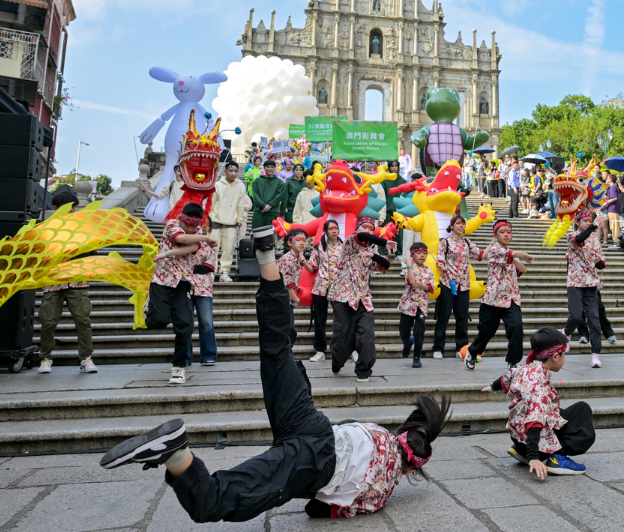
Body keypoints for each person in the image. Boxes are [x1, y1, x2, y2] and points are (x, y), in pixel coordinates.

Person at [100, 225, 453, 521]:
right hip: (313, 461)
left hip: (312, 422)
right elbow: (320, 509)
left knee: (276, 350)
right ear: (411, 469)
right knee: (212, 501)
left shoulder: (378, 432)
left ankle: (267, 257)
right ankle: (176, 453)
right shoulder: (384, 489)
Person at [481, 327, 595, 478]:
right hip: (532, 439)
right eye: (563, 355)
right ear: (555, 356)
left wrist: (492, 387)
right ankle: (558, 458)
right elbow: (534, 419)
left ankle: (520, 450)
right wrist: (533, 457)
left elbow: (506, 377)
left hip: (519, 438)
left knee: (561, 412)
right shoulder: (539, 384)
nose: (564, 360)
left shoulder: (524, 368)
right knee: (583, 411)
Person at [145, 202, 218, 384]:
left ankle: (178, 367)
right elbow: (182, 239)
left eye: (194, 227)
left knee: (185, 324)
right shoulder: (172, 224)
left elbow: (192, 248)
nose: (191, 229)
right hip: (162, 280)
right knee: (159, 320)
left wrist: (166, 254)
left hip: (183, 283)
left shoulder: (198, 231)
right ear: (182, 220)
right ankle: (149, 307)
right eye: (188, 226)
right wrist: (206, 239)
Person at [326, 217, 398, 381]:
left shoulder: (370, 252)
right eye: (364, 227)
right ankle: (337, 361)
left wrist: (373, 254)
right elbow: (362, 238)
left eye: (371, 228)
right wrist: (383, 241)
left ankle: (363, 369)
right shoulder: (348, 245)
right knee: (342, 339)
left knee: (367, 336)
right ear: (356, 229)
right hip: (342, 298)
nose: (367, 230)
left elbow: (385, 265)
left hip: (363, 299)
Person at [36, 192, 97, 374]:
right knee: (48, 322)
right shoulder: (45, 227)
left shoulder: (82, 226)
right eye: (67, 207)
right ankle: (45, 359)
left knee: (83, 321)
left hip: (77, 281)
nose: (70, 210)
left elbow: (92, 250)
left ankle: (86, 359)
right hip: (53, 281)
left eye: (72, 207)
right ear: (55, 207)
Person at [464, 220, 534, 370]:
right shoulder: (495, 249)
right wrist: (524, 254)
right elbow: (511, 254)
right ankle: (473, 351)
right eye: (502, 232)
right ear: (495, 236)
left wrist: (516, 259)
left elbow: (523, 269)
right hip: (493, 299)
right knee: (486, 331)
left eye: (509, 232)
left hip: (511, 298)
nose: (506, 234)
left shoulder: (511, 254)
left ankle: (513, 361)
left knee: (516, 326)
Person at [562, 209, 607, 368]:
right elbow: (580, 239)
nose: (588, 222)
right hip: (575, 281)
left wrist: (597, 261)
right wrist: (595, 224)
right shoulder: (571, 236)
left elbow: (601, 264)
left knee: (594, 320)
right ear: (577, 223)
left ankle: (595, 355)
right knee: (575, 316)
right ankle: (566, 333)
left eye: (590, 220)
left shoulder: (595, 238)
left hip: (591, 282)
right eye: (585, 221)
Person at [434, 215, 483, 359]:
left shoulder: (467, 243)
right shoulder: (445, 242)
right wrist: (441, 265)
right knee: (443, 317)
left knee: (462, 319)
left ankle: (461, 348)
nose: (461, 226)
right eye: (458, 224)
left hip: (464, 286)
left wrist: (493, 242)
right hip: (448, 284)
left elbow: (480, 255)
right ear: (452, 226)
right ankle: (438, 348)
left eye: (463, 224)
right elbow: (440, 258)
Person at [307, 220, 342, 362]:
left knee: (342, 320)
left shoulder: (345, 247)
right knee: (319, 319)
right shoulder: (319, 247)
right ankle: (320, 350)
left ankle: (346, 348)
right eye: (331, 229)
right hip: (320, 286)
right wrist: (303, 261)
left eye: (336, 228)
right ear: (326, 231)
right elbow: (312, 267)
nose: (334, 231)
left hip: (339, 287)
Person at [209, 161, 246, 282]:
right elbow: (211, 202)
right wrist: (208, 218)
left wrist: (240, 218)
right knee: (213, 248)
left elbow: (240, 204)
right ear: (225, 171)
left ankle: (225, 272)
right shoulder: (217, 185)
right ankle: (210, 271)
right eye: (231, 170)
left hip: (231, 221)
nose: (233, 173)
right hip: (215, 220)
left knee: (229, 249)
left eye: (235, 171)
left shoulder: (240, 186)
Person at [399, 243, 434, 368]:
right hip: (408, 304)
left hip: (421, 306)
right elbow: (411, 281)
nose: (422, 255)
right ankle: (408, 343)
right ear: (412, 255)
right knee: (403, 331)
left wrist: (422, 286)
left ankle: (416, 357)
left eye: (424, 253)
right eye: (418, 253)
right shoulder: (409, 268)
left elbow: (430, 287)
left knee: (419, 331)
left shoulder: (428, 270)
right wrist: (408, 265)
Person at [278, 228, 315, 308]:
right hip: (282, 299)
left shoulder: (297, 257)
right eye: (298, 240)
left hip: (288, 299)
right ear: (289, 242)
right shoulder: (288, 259)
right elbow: (286, 283)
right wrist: (296, 299)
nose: (302, 243)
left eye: (304, 241)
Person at [379, 160, 407, 259]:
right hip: (387, 210)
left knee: (399, 233)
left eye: (396, 166)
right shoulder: (385, 180)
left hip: (399, 212)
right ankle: (384, 252)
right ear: (389, 168)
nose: (394, 168)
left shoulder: (403, 181)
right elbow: (382, 196)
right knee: (384, 231)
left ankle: (398, 253)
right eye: (392, 166)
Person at [251, 159, 284, 231]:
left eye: (272, 167)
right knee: (257, 236)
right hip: (259, 212)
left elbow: (279, 196)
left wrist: (269, 206)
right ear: (264, 168)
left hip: (272, 213)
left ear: (275, 168)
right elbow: (255, 195)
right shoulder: (257, 181)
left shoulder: (280, 182)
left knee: (270, 238)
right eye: (268, 167)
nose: (270, 169)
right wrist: (263, 205)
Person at [603, 174, 622, 247]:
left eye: (608, 178)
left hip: (613, 208)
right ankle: (616, 241)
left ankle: (616, 241)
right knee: (613, 226)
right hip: (611, 208)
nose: (607, 179)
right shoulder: (613, 187)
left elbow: (614, 198)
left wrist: (606, 202)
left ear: (610, 179)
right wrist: (606, 198)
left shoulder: (613, 187)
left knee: (614, 226)